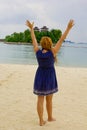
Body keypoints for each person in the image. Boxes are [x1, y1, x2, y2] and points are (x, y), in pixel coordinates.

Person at [26, 19, 74, 126]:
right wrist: (68, 28)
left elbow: (33, 40)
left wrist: (31, 29)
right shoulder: (53, 51)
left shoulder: (37, 52)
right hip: (50, 77)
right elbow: (62, 39)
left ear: (42, 44)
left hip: (40, 76)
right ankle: (50, 117)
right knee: (49, 100)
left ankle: (41, 121)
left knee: (40, 99)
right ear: (50, 44)